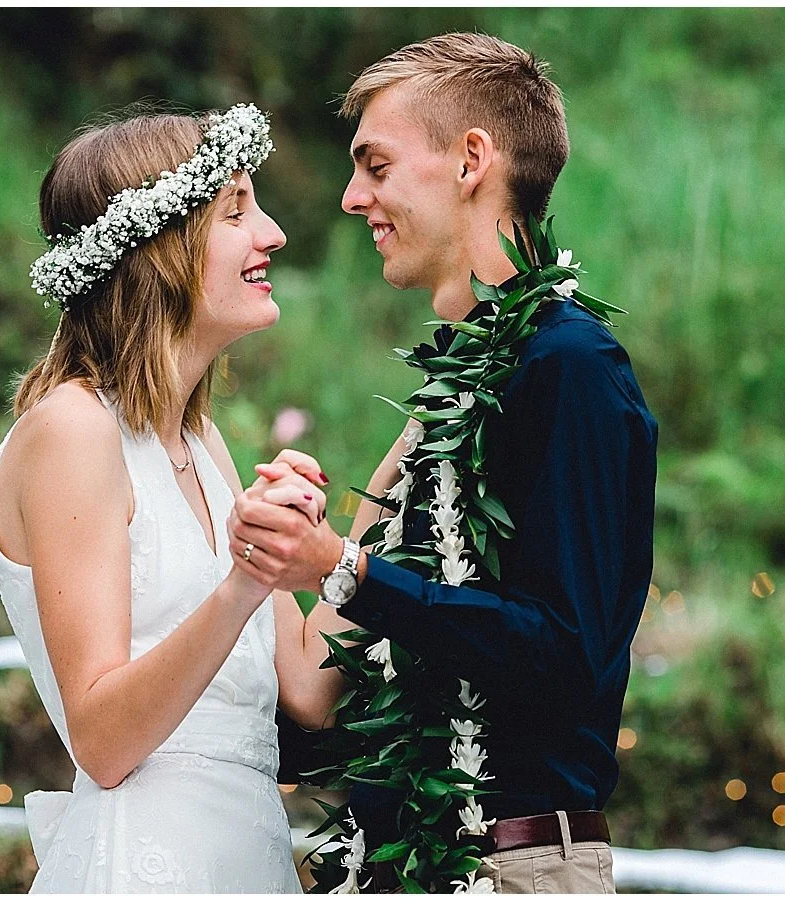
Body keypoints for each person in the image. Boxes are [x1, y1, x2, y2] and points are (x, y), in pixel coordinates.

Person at [227, 34, 658, 893]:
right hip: (406, 863)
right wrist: (275, 552)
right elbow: (329, 686)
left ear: (471, 161)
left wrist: (342, 568)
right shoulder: (443, 407)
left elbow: (567, 658)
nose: (353, 198)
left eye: (376, 166)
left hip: (513, 865)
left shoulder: (572, 369)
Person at [0, 104, 350, 892]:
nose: (273, 233)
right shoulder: (74, 430)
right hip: (147, 866)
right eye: (237, 211)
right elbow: (103, 739)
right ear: (159, 250)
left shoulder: (201, 439)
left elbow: (312, 686)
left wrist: (415, 448)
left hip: (246, 859)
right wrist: (244, 582)